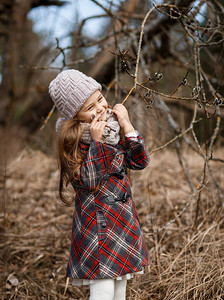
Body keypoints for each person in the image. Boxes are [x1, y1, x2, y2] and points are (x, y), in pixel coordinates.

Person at [49, 69, 149, 300]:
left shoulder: (112, 130)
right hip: (98, 227)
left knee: (119, 290)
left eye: (100, 99)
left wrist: (127, 125)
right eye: (90, 108)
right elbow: (88, 181)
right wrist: (96, 143)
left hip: (122, 223)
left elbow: (139, 161)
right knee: (102, 290)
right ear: (76, 116)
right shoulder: (74, 141)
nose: (101, 108)